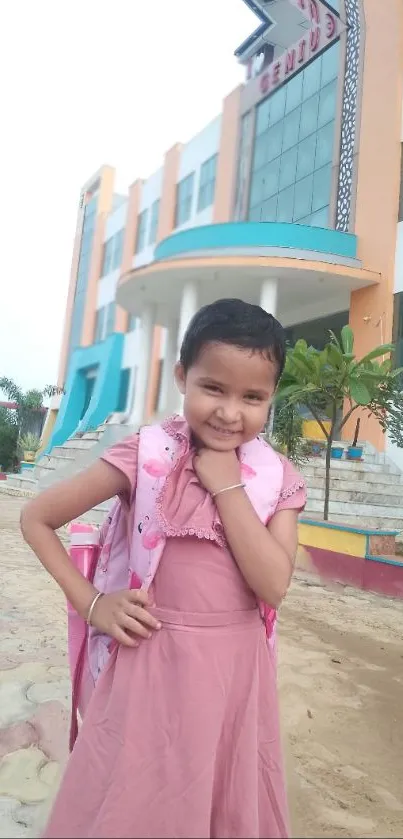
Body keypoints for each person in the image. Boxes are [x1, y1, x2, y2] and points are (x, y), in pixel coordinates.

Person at [21, 298, 306, 839]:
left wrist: (225, 483)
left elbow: (274, 583)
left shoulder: (276, 477)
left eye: (252, 397)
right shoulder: (147, 454)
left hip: (235, 677)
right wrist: (93, 603)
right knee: (135, 800)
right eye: (213, 388)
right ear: (182, 377)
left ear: (272, 398)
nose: (229, 412)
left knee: (222, 801)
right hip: (150, 662)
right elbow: (37, 518)